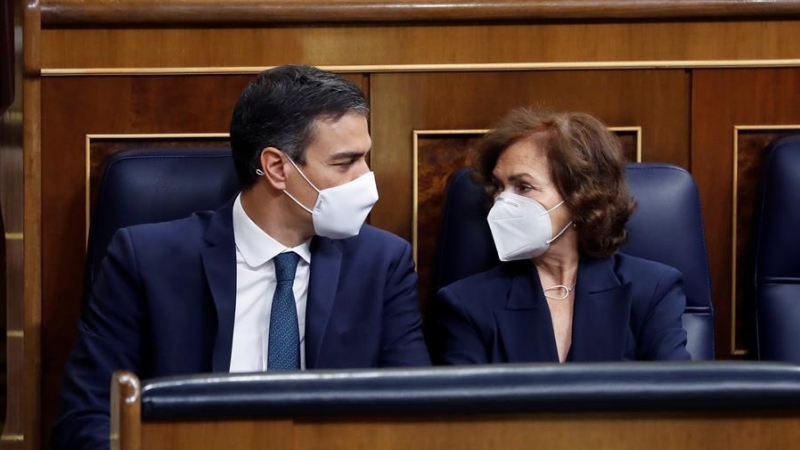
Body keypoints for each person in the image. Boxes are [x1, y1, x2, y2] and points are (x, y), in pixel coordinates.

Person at [52, 65, 431, 450]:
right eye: (345, 162)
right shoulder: (145, 261)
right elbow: (87, 420)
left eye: (366, 158)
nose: (366, 179)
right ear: (277, 167)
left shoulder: (382, 263)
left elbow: (416, 418)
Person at [436, 108, 691, 364]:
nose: (502, 201)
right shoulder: (467, 303)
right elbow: (466, 403)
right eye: (500, 187)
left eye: (524, 187)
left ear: (581, 196)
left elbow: (677, 396)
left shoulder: (652, 289)